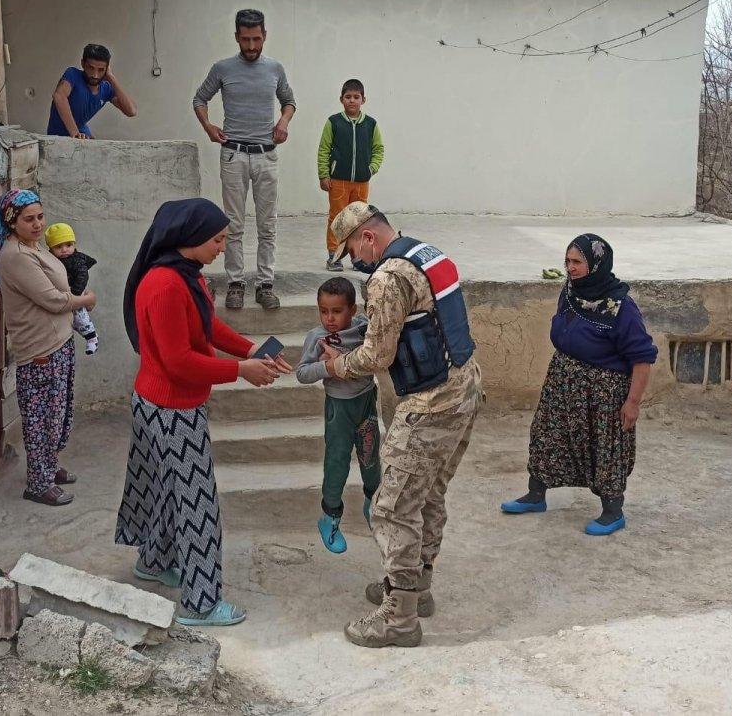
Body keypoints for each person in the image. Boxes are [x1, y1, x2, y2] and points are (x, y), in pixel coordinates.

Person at [116, 198, 292, 627]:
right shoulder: (164, 285)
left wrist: (250, 348)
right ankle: (200, 603)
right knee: (198, 506)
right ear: (189, 238)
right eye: (216, 240)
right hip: (170, 409)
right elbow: (178, 361)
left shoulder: (185, 278)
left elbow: (207, 326)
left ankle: (154, 562)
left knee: (167, 491)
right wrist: (241, 370)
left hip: (166, 403)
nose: (222, 248)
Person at [320, 202, 482, 648]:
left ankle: (399, 618)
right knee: (428, 494)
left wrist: (337, 365)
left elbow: (377, 356)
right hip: (465, 388)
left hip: (432, 404)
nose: (354, 258)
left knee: (392, 507)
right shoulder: (427, 253)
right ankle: (415, 588)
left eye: (353, 247)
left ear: (368, 237)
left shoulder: (388, 277)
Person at [500, 234, 656, 536]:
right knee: (547, 435)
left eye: (577, 262)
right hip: (562, 382)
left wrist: (632, 402)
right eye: (567, 261)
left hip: (603, 392)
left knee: (605, 448)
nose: (570, 268)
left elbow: (642, 358)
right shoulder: (570, 292)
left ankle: (613, 511)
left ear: (596, 264)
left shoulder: (620, 307)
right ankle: (536, 496)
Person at [0, 189, 97, 506]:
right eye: (29, 219)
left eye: (40, 217)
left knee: (58, 413)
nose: (37, 224)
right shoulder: (15, 256)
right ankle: (38, 483)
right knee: (42, 419)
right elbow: (52, 300)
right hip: (40, 349)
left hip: (58, 341)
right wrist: (85, 301)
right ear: (12, 222)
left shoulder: (33, 248)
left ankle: (48, 468)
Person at [192, 9, 297, 311]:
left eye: (257, 39)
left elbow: (289, 101)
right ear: (236, 37)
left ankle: (265, 284)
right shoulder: (223, 68)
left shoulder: (275, 68)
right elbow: (199, 99)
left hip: (266, 155)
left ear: (265, 36)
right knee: (234, 224)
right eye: (246, 39)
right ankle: (235, 283)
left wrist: (283, 123)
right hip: (233, 154)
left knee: (268, 225)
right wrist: (208, 127)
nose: (251, 46)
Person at [296, 276, 379, 554]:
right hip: (338, 409)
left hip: (366, 402)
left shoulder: (365, 328)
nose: (329, 318)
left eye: (337, 311)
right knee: (337, 463)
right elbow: (302, 373)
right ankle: (329, 517)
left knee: (371, 458)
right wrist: (326, 367)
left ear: (352, 310)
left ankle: (373, 504)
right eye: (324, 311)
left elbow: (378, 357)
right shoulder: (317, 338)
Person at [318, 79, 385, 271]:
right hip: (338, 181)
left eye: (356, 97)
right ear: (341, 99)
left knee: (360, 220)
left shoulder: (370, 124)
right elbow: (324, 149)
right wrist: (324, 174)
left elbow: (378, 149)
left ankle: (358, 257)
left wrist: (371, 168)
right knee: (337, 218)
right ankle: (334, 256)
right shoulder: (334, 122)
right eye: (348, 97)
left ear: (363, 100)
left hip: (361, 182)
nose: (352, 101)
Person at [47, 43, 138, 138]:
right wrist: (75, 133)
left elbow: (131, 111)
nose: (95, 75)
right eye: (91, 68)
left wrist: (111, 78)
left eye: (101, 70)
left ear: (107, 69)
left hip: (82, 133)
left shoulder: (106, 89)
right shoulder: (73, 74)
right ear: (82, 64)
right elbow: (59, 96)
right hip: (60, 136)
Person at [44, 221, 99, 355]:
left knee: (80, 317)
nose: (64, 250)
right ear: (51, 249)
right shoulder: (50, 260)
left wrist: (75, 293)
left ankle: (92, 337)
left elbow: (82, 276)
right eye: (58, 247)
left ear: (74, 245)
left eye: (69, 245)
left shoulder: (77, 260)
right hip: (63, 297)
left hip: (75, 294)